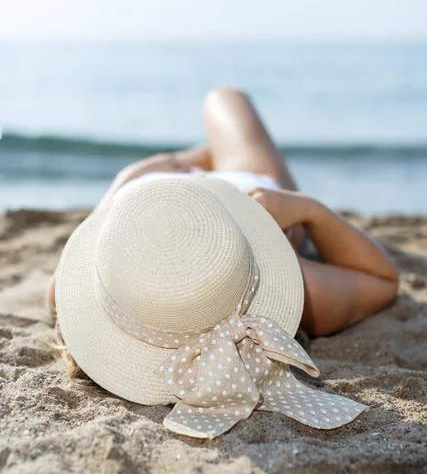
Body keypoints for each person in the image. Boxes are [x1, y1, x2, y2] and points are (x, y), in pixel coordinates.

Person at [46, 87, 399, 337]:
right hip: (240, 195)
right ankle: (197, 160)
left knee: (220, 119)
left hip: (148, 202)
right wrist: (306, 209)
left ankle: (194, 161)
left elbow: (83, 245)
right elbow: (383, 280)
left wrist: (120, 185)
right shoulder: (307, 297)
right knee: (225, 98)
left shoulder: (73, 295)